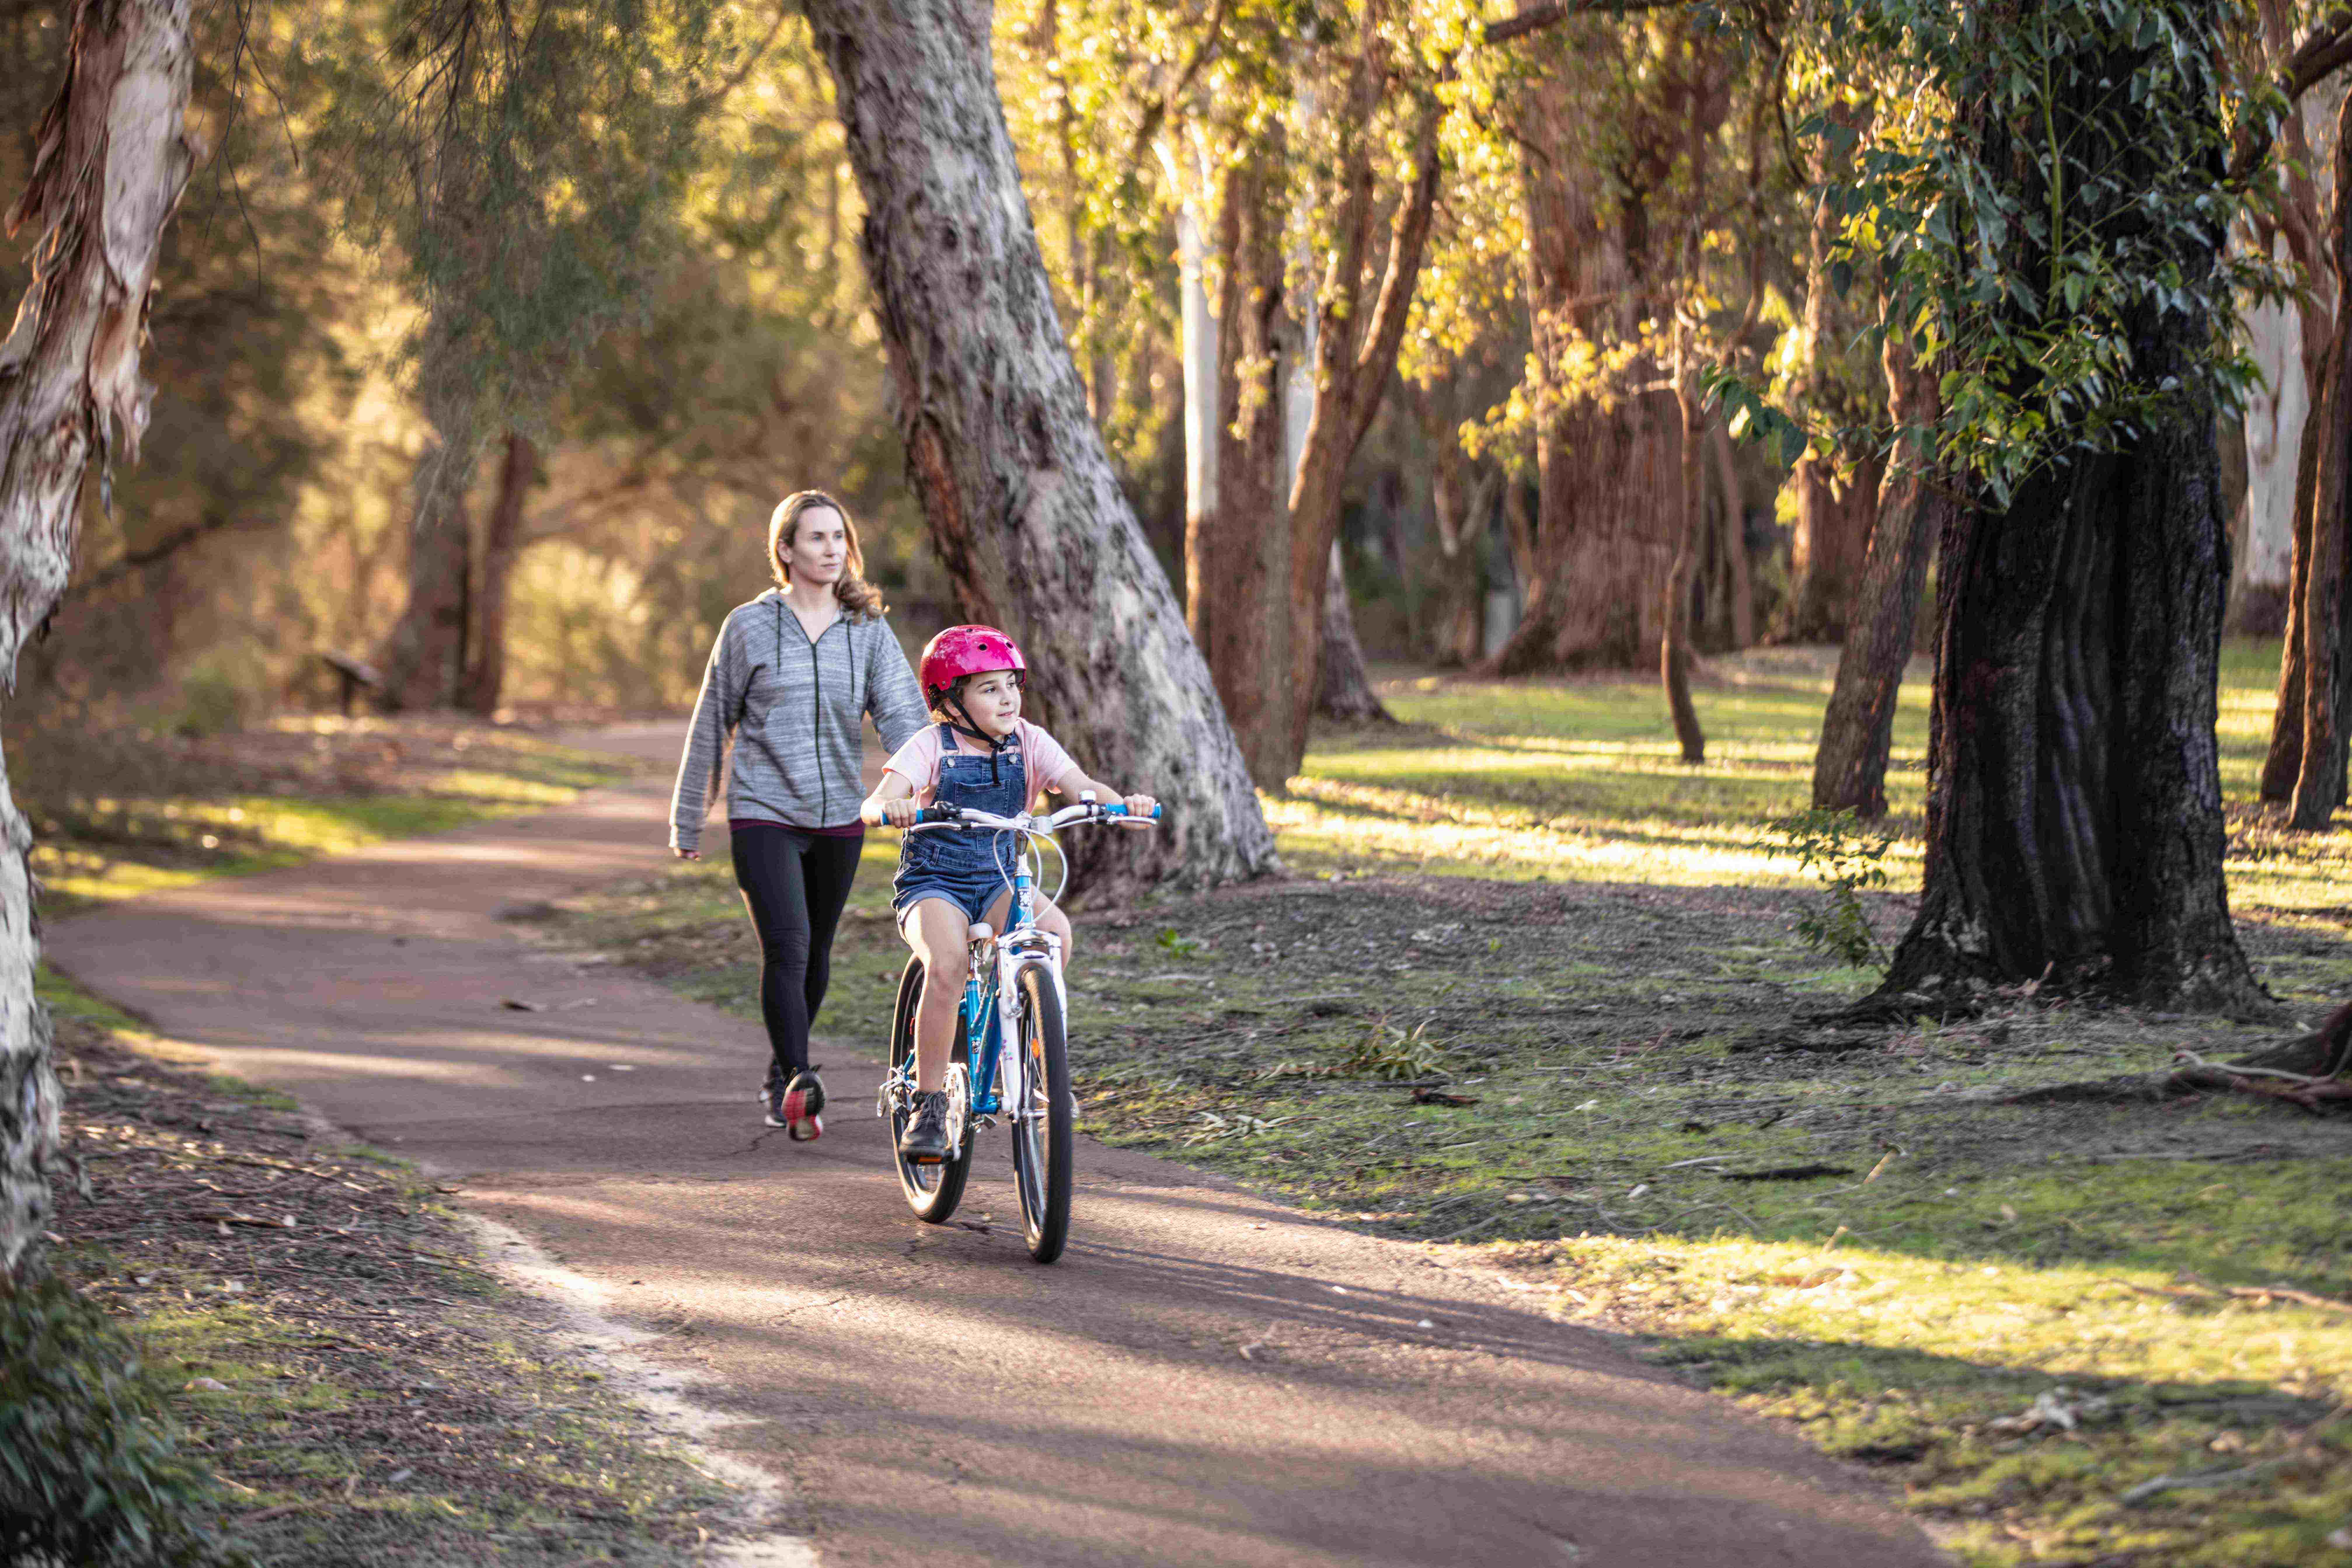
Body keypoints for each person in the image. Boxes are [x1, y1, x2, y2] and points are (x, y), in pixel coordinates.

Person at [670, 490, 928, 1141]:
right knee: (786, 945)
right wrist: (688, 816)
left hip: (840, 813)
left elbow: (903, 714)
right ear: (785, 551)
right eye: (816, 538)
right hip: (764, 811)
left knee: (816, 954)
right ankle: (799, 1077)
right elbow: (712, 721)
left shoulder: (866, 629)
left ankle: (779, 1072)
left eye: (839, 536)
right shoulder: (749, 627)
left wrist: (932, 785)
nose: (832, 548)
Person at [859, 625, 1156, 1162]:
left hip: (1000, 878)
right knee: (948, 965)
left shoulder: (1030, 740)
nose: (1008, 698)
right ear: (950, 701)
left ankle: (1036, 1048)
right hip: (934, 884)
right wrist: (892, 807)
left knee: (1056, 932)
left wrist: (1120, 808)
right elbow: (878, 799)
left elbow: (1079, 784)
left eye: (1011, 685)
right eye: (989, 688)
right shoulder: (930, 745)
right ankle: (928, 1105)